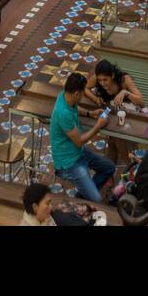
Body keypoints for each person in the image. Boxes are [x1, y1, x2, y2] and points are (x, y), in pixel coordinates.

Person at [49, 72, 115, 202]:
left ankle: (82, 195)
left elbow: (74, 107)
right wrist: (98, 126)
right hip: (69, 164)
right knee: (97, 199)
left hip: (79, 153)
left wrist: (90, 113)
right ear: (76, 94)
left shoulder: (64, 96)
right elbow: (79, 141)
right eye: (83, 93)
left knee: (109, 168)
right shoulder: (62, 113)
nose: (84, 95)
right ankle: (88, 195)